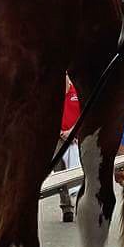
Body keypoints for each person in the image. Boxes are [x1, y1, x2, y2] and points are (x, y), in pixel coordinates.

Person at [57, 75, 80, 222]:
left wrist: (73, 131)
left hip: (76, 136)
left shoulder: (76, 93)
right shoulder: (54, 95)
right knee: (60, 172)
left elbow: (83, 113)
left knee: (78, 170)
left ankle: (80, 202)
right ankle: (67, 207)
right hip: (58, 137)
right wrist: (61, 133)